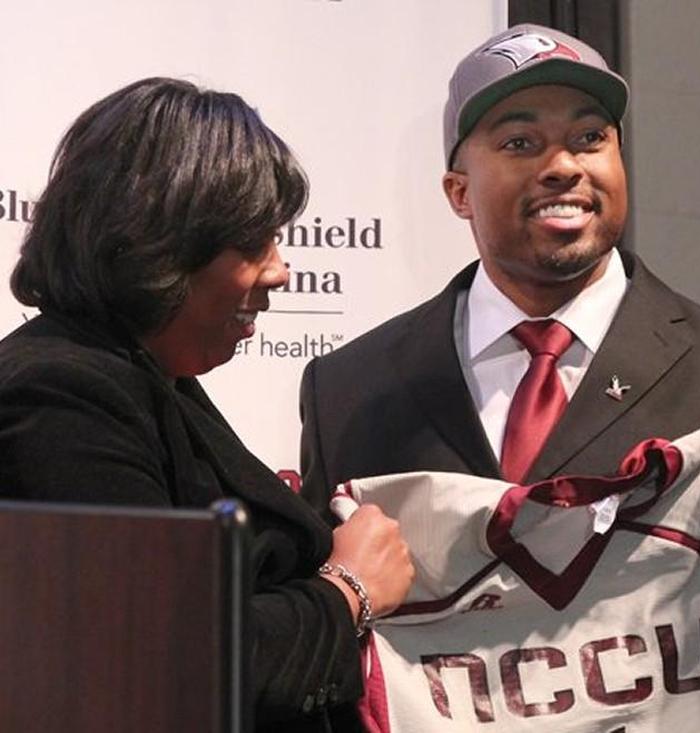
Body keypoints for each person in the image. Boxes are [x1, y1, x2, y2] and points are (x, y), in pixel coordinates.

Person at [298, 23, 700, 683]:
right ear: (458, 191)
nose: (563, 165)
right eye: (520, 142)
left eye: (591, 137)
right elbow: (328, 654)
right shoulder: (347, 391)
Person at [0, 77, 414, 732]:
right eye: (255, 243)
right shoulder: (60, 394)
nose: (280, 270)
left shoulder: (138, 372)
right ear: (159, 245)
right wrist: (347, 590)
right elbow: (152, 662)